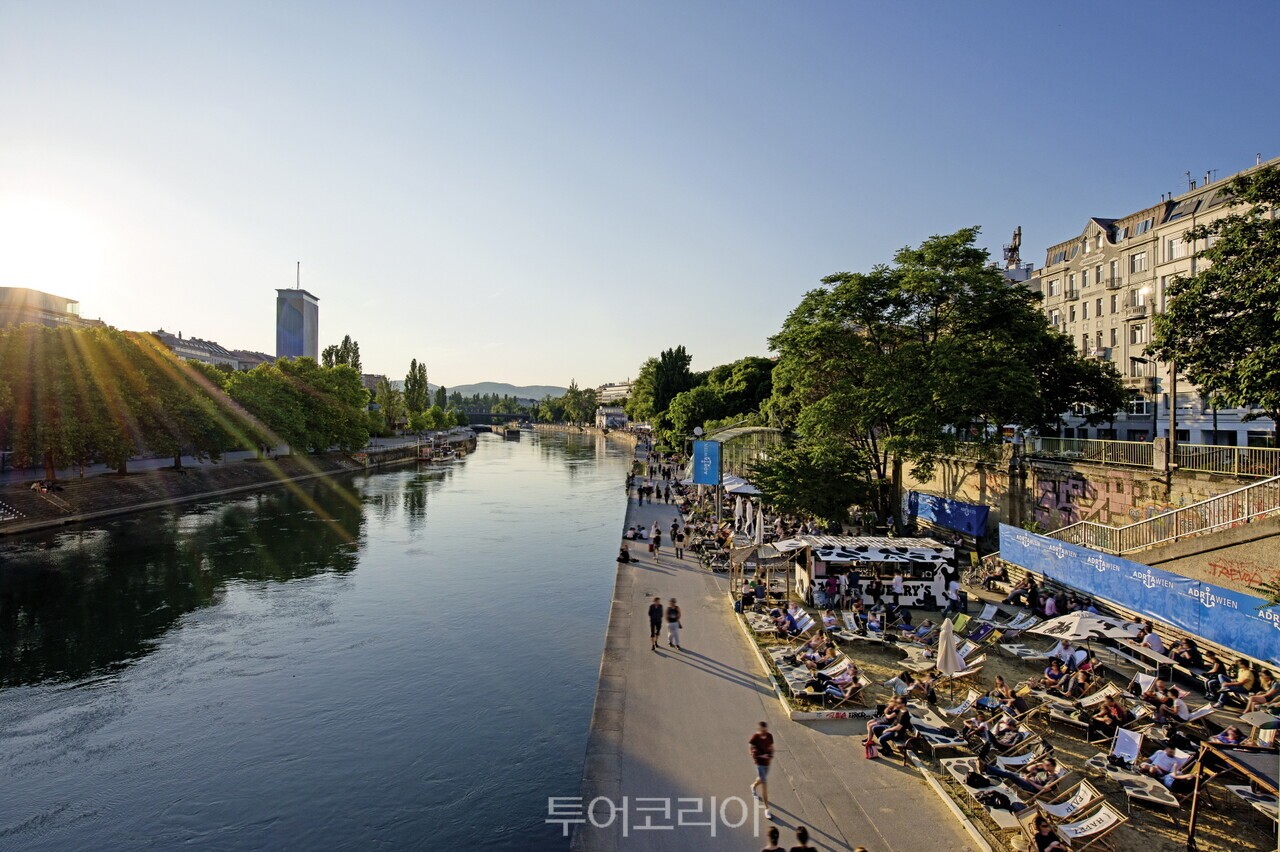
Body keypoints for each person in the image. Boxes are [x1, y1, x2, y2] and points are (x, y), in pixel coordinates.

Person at [986, 755, 1060, 794]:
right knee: (1009, 772)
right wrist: (1038, 764)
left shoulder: (1054, 779)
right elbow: (1029, 769)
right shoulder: (1044, 769)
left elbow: (1043, 790)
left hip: (1031, 787)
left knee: (1010, 774)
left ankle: (986, 767)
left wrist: (1029, 781)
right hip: (1026, 779)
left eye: (1047, 765)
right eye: (1044, 764)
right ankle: (988, 770)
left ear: (1053, 767)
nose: (1044, 766)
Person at [749, 721, 774, 821]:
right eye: (762, 731)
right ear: (759, 730)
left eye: (765, 731)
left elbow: (771, 747)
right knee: (764, 785)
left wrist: (770, 755)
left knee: (761, 779)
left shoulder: (769, 736)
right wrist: (758, 755)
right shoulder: (755, 737)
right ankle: (767, 809)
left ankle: (753, 786)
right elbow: (751, 747)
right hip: (759, 763)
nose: (764, 733)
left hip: (767, 763)